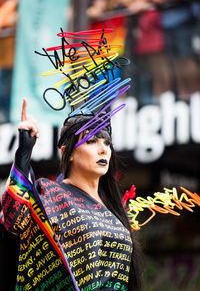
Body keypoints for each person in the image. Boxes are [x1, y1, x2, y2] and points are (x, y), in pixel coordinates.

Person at [0, 98, 142, 290]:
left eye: (107, 143)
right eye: (91, 141)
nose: (103, 150)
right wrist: (23, 154)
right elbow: (12, 219)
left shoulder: (114, 211)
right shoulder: (49, 193)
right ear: (69, 152)